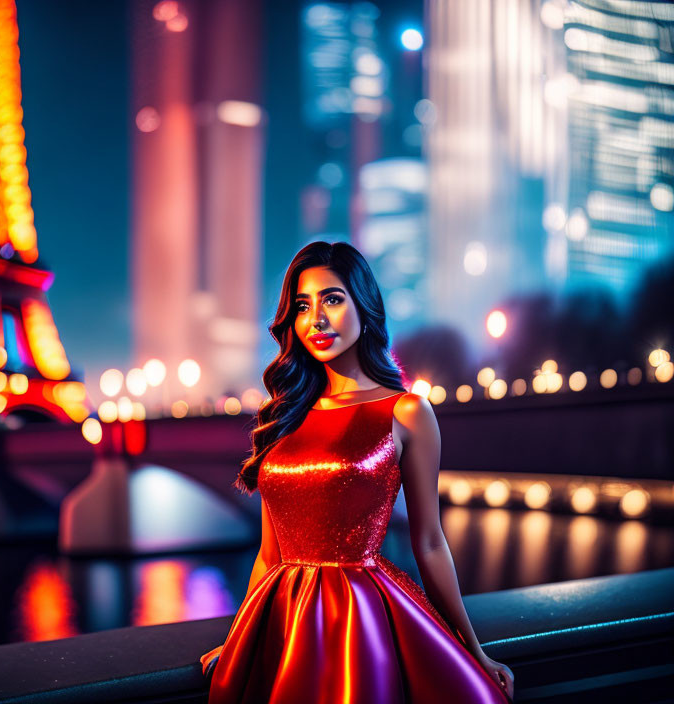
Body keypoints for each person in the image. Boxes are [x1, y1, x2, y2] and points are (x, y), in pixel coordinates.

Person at [200, 241, 514, 703]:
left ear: (364, 306)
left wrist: (475, 650)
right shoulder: (282, 416)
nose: (316, 320)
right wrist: (239, 640)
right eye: (302, 306)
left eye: (332, 299)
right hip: (280, 623)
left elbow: (428, 542)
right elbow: (269, 556)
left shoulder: (407, 412)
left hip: (358, 622)